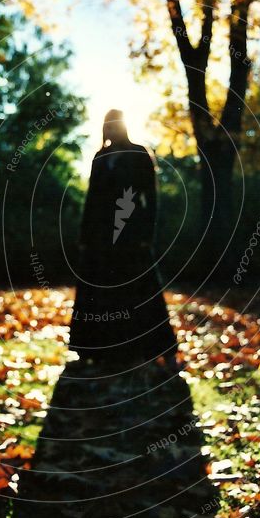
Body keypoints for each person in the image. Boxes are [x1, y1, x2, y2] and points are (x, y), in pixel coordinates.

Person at [69, 109, 178, 368]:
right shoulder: (100, 157)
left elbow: (150, 198)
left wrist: (147, 234)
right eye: (108, 124)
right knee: (98, 290)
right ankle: (95, 350)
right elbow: (92, 199)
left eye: (115, 124)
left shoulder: (139, 153)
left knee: (141, 289)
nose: (112, 129)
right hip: (100, 236)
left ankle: (160, 350)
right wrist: (85, 234)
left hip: (131, 233)